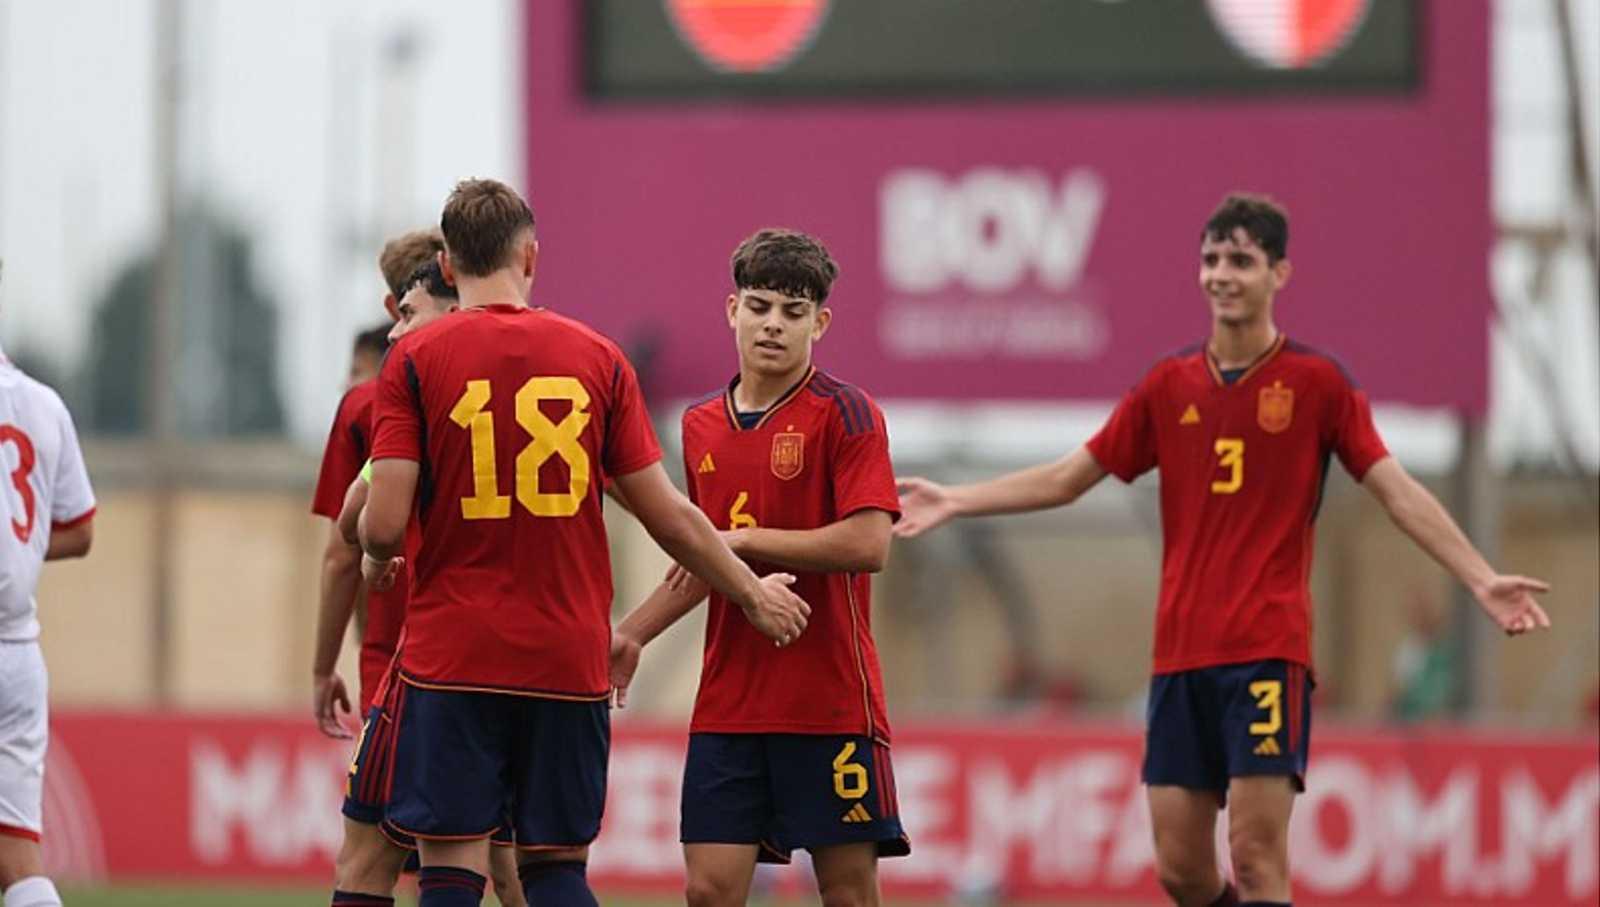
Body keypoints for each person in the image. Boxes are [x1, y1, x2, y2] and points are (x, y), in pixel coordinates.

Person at [894, 194, 1553, 907]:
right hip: (1180, 656)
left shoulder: (1317, 383)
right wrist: (958, 498)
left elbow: (1397, 492)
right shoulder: (1166, 386)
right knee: (1180, 865)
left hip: (1267, 650)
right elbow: (1065, 477)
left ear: (1279, 273)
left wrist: (1481, 576)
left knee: (1255, 847)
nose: (1221, 274)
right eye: (1211, 259)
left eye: (1240, 260)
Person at [359, 178, 811, 907]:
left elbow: (382, 523)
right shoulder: (596, 358)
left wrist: (374, 549)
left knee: (449, 866)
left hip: (454, 657)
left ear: (446, 268)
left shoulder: (414, 359)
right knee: (555, 869)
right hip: (567, 658)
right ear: (530, 256)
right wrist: (749, 590)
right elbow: (668, 514)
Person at [609, 228, 908, 907]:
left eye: (793, 312)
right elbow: (702, 555)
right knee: (708, 891)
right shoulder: (699, 423)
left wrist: (745, 541)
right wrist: (632, 632)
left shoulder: (848, 412)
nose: (774, 323)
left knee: (849, 894)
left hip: (829, 701)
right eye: (761, 305)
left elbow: (870, 544)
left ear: (820, 323)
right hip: (729, 704)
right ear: (732, 309)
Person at [329, 263, 532, 907]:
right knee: (520, 866)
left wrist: (369, 562)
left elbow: (357, 526)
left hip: (435, 662)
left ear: (453, 307)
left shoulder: (412, 397)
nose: (397, 333)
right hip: (538, 661)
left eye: (409, 313)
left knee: (375, 855)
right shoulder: (548, 383)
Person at [311, 228, 443, 735]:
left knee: (378, 814)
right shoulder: (516, 391)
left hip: (400, 661)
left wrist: (323, 669)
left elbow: (343, 553)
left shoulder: (369, 407)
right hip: (506, 659)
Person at [0, 259, 96, 907]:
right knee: (18, 856)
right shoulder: (42, 403)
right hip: (16, 652)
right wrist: (21, 557)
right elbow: (80, 529)